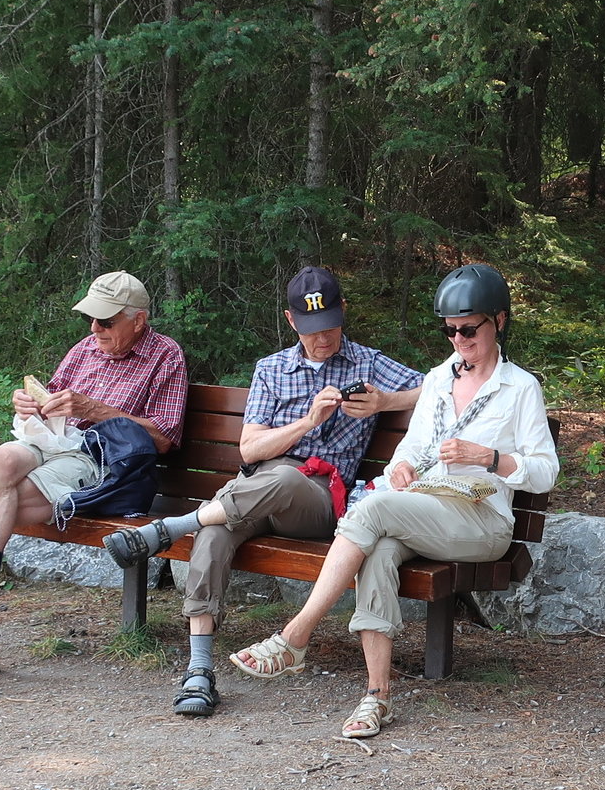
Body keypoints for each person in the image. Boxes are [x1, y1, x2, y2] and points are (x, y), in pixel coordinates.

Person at [226, 263, 558, 739]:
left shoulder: (520, 387)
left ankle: (295, 636)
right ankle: (376, 696)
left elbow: (545, 470)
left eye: (469, 330)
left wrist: (490, 458)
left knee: (373, 509)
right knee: (378, 550)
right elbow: (411, 447)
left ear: (499, 321)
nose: (459, 340)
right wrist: (401, 467)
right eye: (450, 331)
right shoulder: (440, 378)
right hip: (426, 506)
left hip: (482, 521)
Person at [102, 267, 424, 718]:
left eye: (330, 326)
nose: (323, 339)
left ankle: (173, 527)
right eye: (311, 329)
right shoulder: (272, 369)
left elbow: (439, 387)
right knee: (215, 533)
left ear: (343, 312)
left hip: (317, 496)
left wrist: (384, 402)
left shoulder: (367, 362)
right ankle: (199, 670)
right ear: (291, 320)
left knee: (282, 482)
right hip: (257, 485)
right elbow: (250, 449)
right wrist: (308, 422)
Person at [0, 271, 190, 684]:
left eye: (106, 321)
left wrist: (95, 410)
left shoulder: (165, 355)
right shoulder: (85, 349)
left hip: (102, 459)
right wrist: (29, 404)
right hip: (57, 442)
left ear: (138, 320)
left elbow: (164, 438)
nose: (95, 329)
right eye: (91, 319)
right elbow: (53, 399)